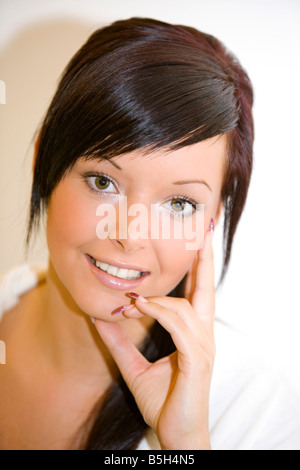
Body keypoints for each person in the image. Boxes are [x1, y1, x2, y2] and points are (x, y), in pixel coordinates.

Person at [0, 17, 299, 451]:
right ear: (43, 162)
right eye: (104, 182)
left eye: (179, 204)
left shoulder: (257, 412)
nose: (130, 236)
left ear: (212, 218)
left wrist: (184, 444)